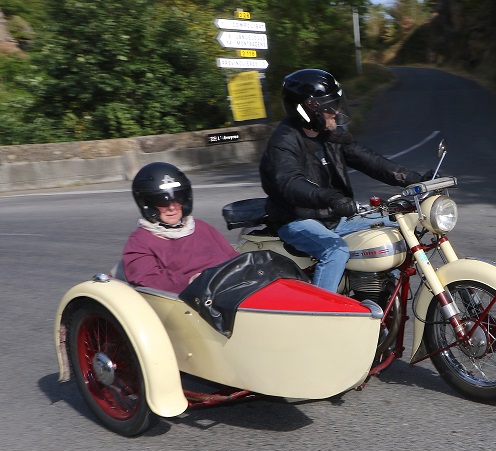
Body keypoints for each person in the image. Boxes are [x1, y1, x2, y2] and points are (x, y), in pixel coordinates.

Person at [260, 68, 432, 293]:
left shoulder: (330, 136)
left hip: (334, 216)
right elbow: (289, 183)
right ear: (307, 110)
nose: (337, 110)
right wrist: (330, 198)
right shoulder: (283, 142)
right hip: (297, 218)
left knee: (397, 229)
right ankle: (320, 311)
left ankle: (380, 293)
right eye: (329, 106)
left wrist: (416, 180)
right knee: (335, 250)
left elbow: (370, 161)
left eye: (336, 103)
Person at [122, 162, 238, 294]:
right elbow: (148, 280)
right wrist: (190, 281)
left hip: (232, 287)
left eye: (178, 199)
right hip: (195, 297)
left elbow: (233, 257)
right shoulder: (140, 241)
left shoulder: (201, 227)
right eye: (162, 201)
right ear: (148, 204)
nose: (172, 207)